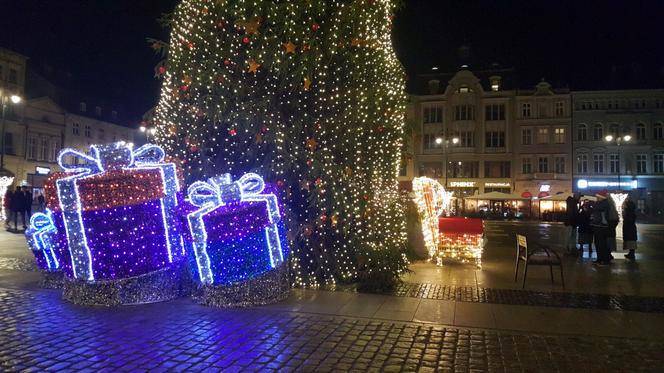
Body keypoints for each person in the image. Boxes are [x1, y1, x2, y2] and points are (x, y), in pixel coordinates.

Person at [590, 190, 612, 265]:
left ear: (601, 197)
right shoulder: (602, 203)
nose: (596, 198)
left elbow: (597, 208)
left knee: (601, 243)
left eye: (597, 197)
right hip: (598, 225)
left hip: (601, 226)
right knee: (598, 243)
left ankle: (604, 259)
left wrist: (593, 204)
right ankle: (600, 258)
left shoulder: (603, 204)